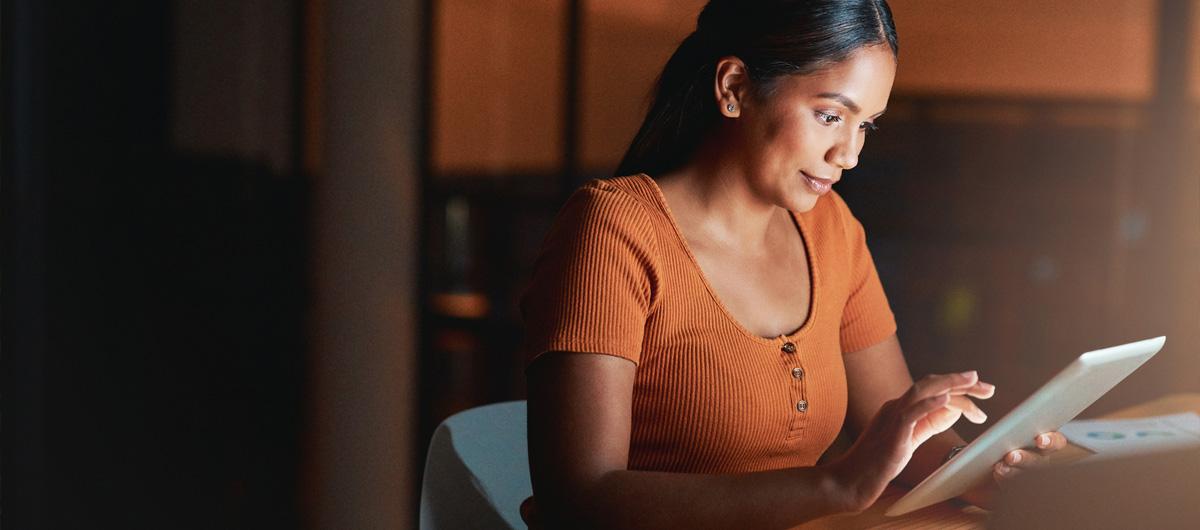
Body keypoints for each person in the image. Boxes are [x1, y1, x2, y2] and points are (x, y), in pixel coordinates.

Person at [520, 1, 1066, 527]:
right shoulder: (613, 231)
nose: (848, 154)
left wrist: (983, 473)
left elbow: (901, 440)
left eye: (865, 126)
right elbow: (578, 499)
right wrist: (834, 486)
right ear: (734, 88)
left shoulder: (832, 229)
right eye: (830, 115)